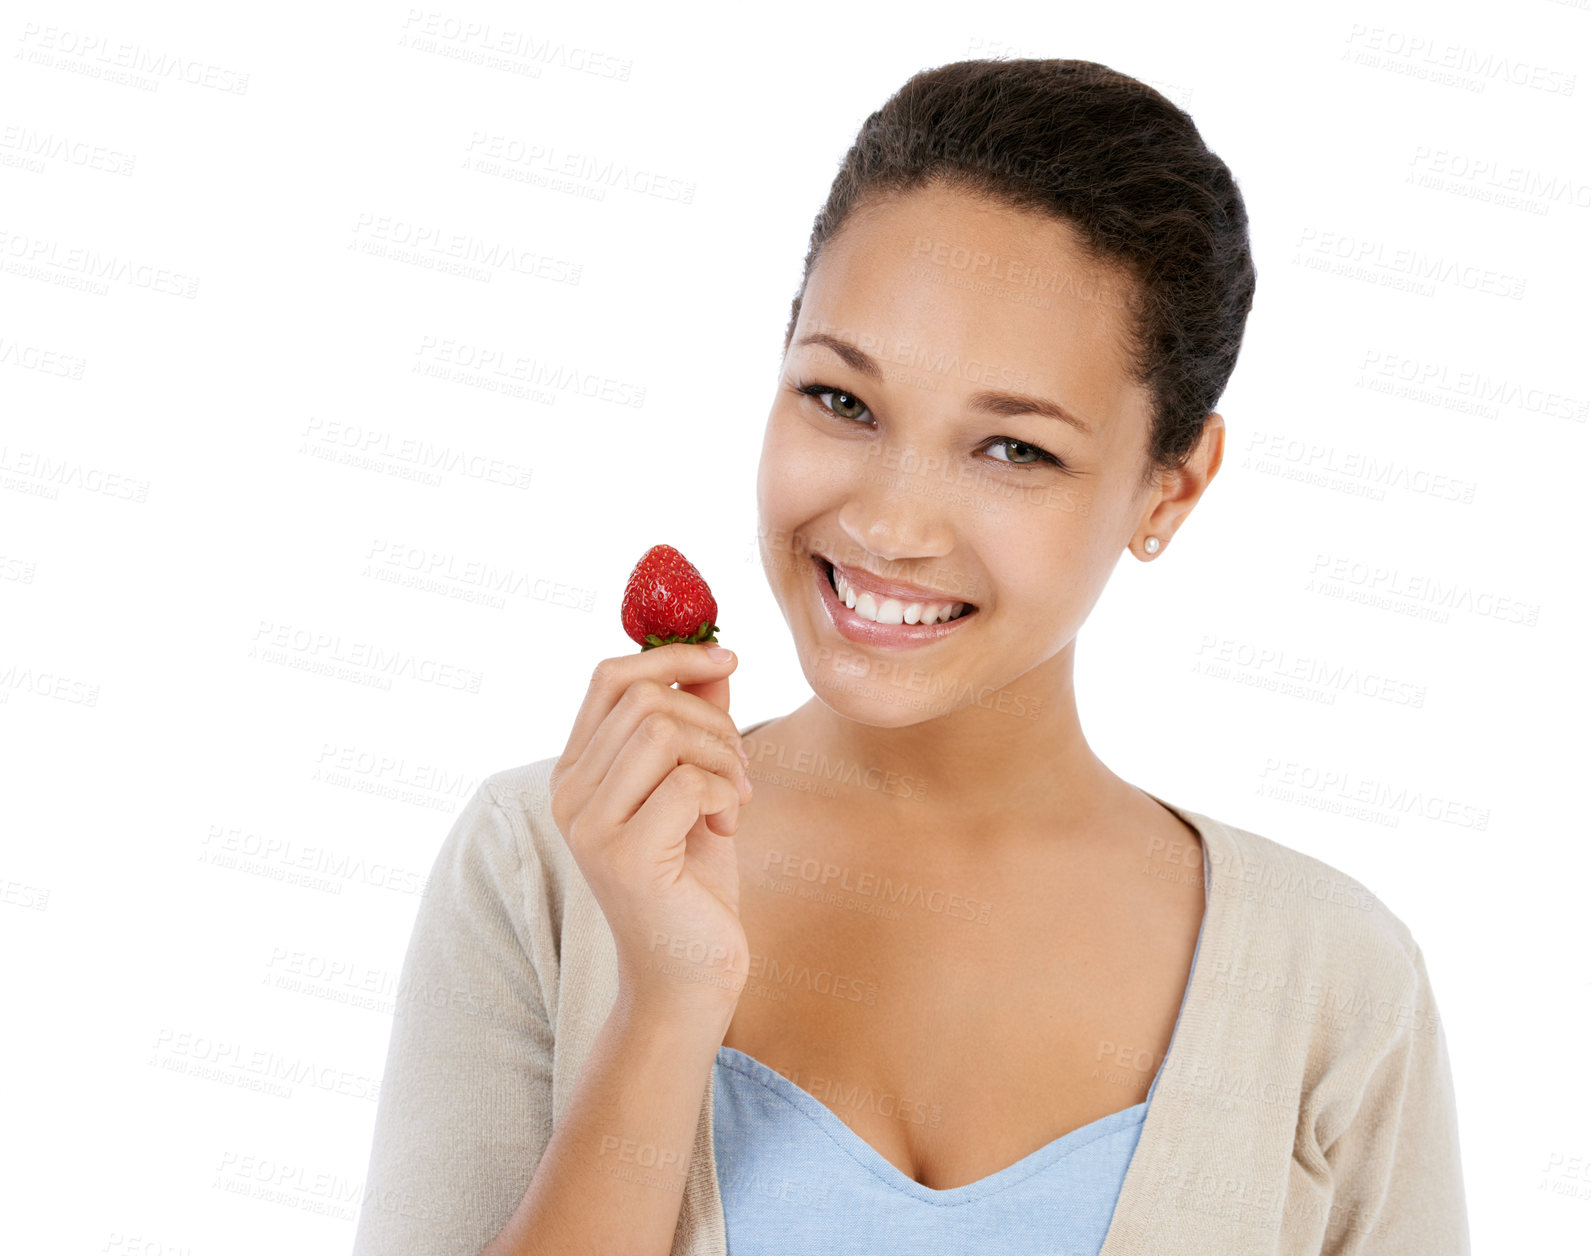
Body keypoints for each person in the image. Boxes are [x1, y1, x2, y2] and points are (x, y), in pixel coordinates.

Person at [350, 58, 1469, 1256]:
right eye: (841, 400)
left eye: (1013, 449)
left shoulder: (1330, 982)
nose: (889, 526)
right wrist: (665, 1005)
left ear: (1173, 483)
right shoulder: (543, 865)